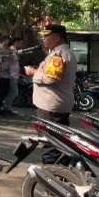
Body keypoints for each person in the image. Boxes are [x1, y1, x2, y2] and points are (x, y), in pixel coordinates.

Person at [28, 24, 76, 164]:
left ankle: (51, 174)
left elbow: (51, 78)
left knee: (49, 140)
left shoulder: (58, 55)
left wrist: (33, 73)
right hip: (57, 103)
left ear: (56, 38)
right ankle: (61, 171)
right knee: (58, 139)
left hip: (51, 105)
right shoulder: (64, 52)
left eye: (46, 36)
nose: (43, 39)